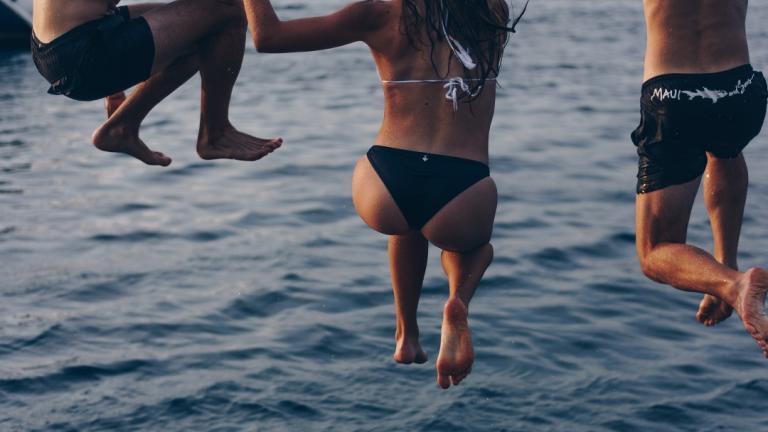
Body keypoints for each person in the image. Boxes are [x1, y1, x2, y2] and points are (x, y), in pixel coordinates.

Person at [243, 0, 525, 388]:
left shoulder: (378, 12)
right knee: (472, 248)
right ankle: (457, 299)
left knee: (406, 224)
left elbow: (267, 37)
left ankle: (406, 335)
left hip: (386, 180)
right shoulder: (490, 9)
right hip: (463, 187)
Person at [633, 0, 768, 356]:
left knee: (654, 251)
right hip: (740, 89)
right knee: (724, 150)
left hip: (674, 96)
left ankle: (733, 285)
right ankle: (727, 264)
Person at [31, 0, 283, 166]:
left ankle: (121, 127)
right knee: (228, 10)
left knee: (204, 29)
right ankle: (215, 132)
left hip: (53, 47)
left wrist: (112, 90)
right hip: (83, 52)